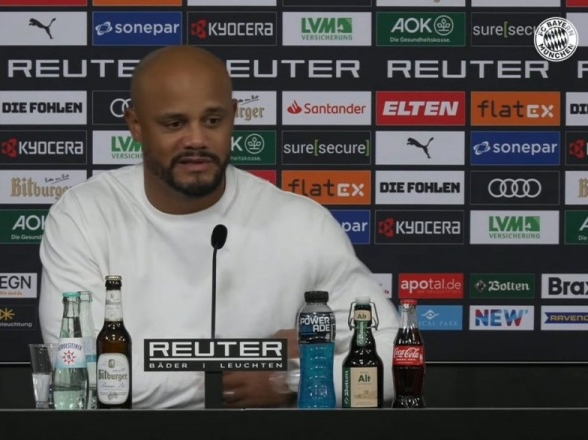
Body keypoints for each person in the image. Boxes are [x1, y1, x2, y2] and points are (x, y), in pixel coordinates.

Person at [38, 45, 400, 409]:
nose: (196, 140)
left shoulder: (302, 223)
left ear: (233, 116)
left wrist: (289, 379)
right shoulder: (84, 216)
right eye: (175, 124)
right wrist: (256, 358)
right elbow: (82, 374)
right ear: (135, 125)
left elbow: (394, 355)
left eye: (212, 121)